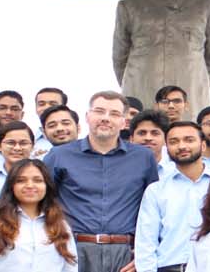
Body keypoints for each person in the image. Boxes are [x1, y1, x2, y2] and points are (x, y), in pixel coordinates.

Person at [43, 91, 159, 272]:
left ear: (123, 122)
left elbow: (153, 209)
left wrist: (144, 255)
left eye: (114, 114)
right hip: (73, 250)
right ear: (87, 117)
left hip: (125, 254)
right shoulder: (59, 156)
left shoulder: (143, 157)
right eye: (99, 111)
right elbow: (42, 203)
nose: (105, 118)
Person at [0, 159, 78, 272]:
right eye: (21, 180)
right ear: (11, 186)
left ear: (47, 185)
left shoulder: (59, 223)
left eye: (38, 180)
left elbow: (70, 265)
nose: (30, 185)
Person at [136, 121, 210, 272]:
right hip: (170, 267)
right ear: (167, 148)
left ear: (203, 146)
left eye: (189, 140)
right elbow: (146, 242)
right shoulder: (156, 190)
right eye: (174, 141)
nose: (182, 146)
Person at [0, 121, 38, 214]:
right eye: (11, 143)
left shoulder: (41, 177)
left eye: (23, 143)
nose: (17, 148)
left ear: (32, 146)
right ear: (0, 146)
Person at [130, 109, 173, 178]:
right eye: (142, 133)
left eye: (155, 133)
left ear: (165, 139)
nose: (148, 138)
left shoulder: (176, 169)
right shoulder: (121, 168)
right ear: (131, 139)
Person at [32, 87, 69, 156]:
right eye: (41, 104)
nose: (46, 108)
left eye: (53, 104)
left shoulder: (79, 138)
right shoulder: (29, 141)